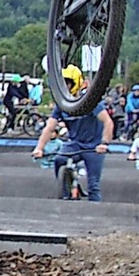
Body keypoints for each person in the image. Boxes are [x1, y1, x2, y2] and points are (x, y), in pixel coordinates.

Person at [32, 65, 114, 202]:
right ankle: (65, 190)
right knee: (59, 159)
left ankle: (95, 212)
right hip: (74, 144)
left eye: (68, 83)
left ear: (75, 83)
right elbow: (49, 127)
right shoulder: (62, 104)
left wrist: (104, 143)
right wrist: (39, 148)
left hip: (93, 146)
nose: (65, 87)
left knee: (93, 185)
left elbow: (108, 122)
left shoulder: (90, 101)